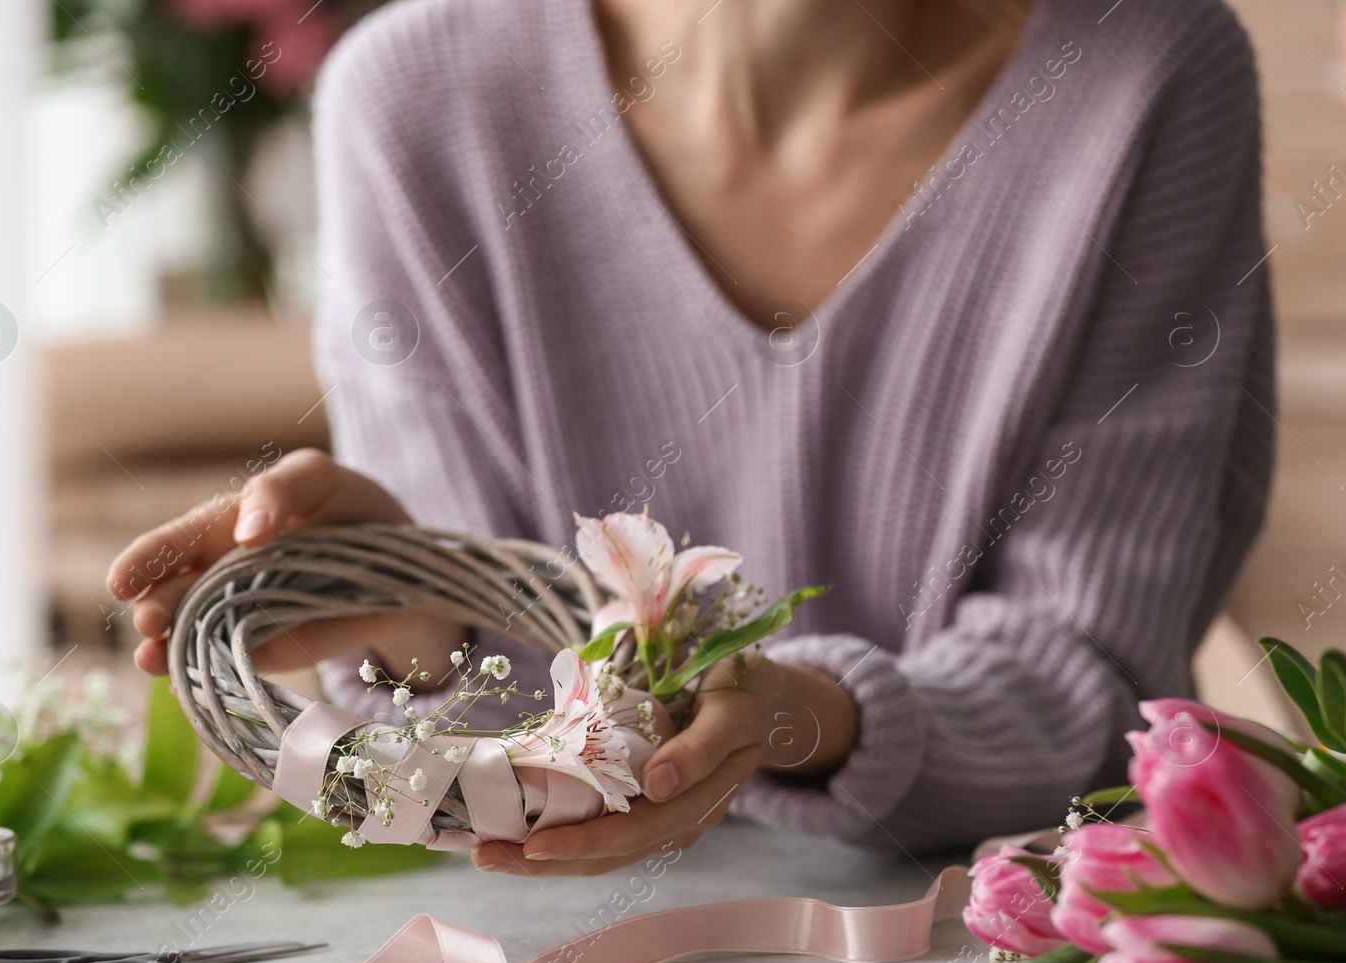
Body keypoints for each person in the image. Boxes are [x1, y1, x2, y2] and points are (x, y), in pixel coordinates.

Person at [109, 0, 1273, 875]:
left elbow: (1091, 685)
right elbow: (485, 762)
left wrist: (791, 714)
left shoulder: (1145, 71)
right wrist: (422, 626)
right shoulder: (411, 95)